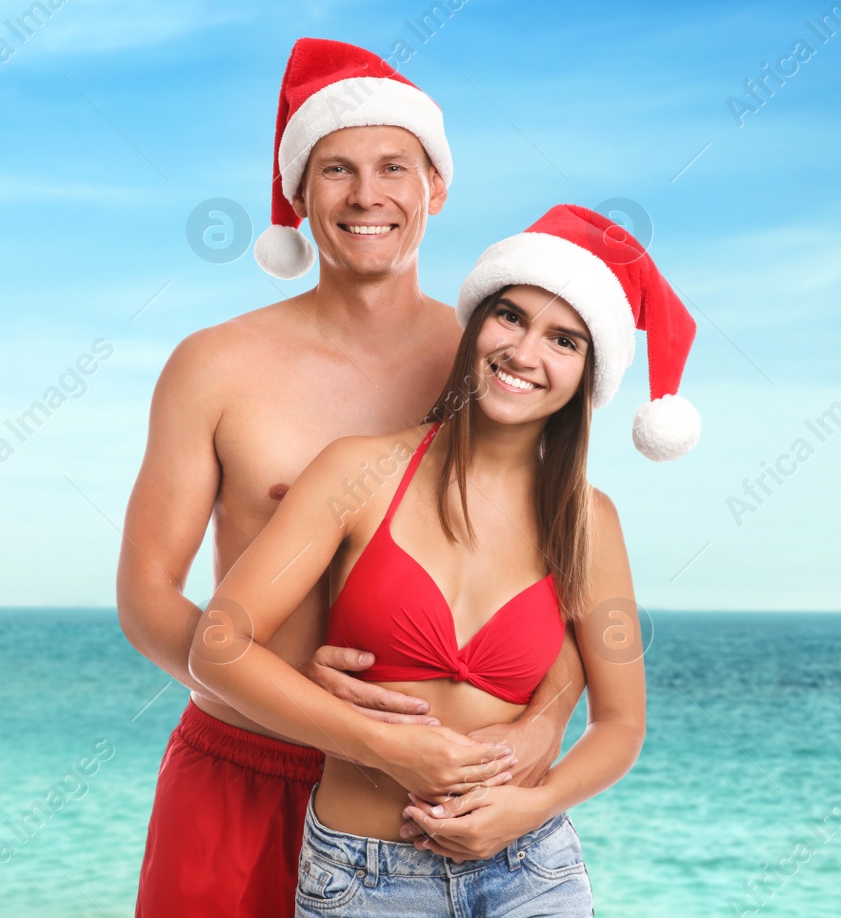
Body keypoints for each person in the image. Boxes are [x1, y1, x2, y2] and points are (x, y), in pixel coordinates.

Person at [120, 38, 586, 918]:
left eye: (393, 168)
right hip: (239, 772)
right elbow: (146, 597)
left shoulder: (492, 368)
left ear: (436, 188)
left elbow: (562, 572)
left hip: (416, 811)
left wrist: (544, 724)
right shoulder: (215, 366)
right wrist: (334, 722)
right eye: (336, 169)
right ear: (299, 192)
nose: (367, 196)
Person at [190, 204, 703, 915]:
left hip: (533, 870)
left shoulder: (589, 521)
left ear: (589, 375)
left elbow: (620, 726)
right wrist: (382, 746)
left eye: (564, 340)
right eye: (511, 318)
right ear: (477, 325)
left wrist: (533, 806)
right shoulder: (355, 474)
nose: (525, 354)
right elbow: (218, 649)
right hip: (365, 879)